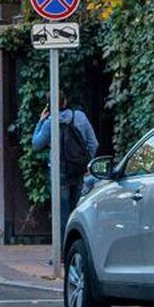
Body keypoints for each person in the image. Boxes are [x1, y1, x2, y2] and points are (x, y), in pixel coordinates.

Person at [31, 94, 98, 222]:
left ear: (49, 105)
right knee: (78, 209)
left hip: (59, 171)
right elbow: (93, 143)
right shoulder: (80, 116)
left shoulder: (49, 123)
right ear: (65, 101)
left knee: (62, 213)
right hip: (78, 169)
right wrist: (87, 162)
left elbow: (36, 144)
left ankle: (62, 241)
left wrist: (40, 121)